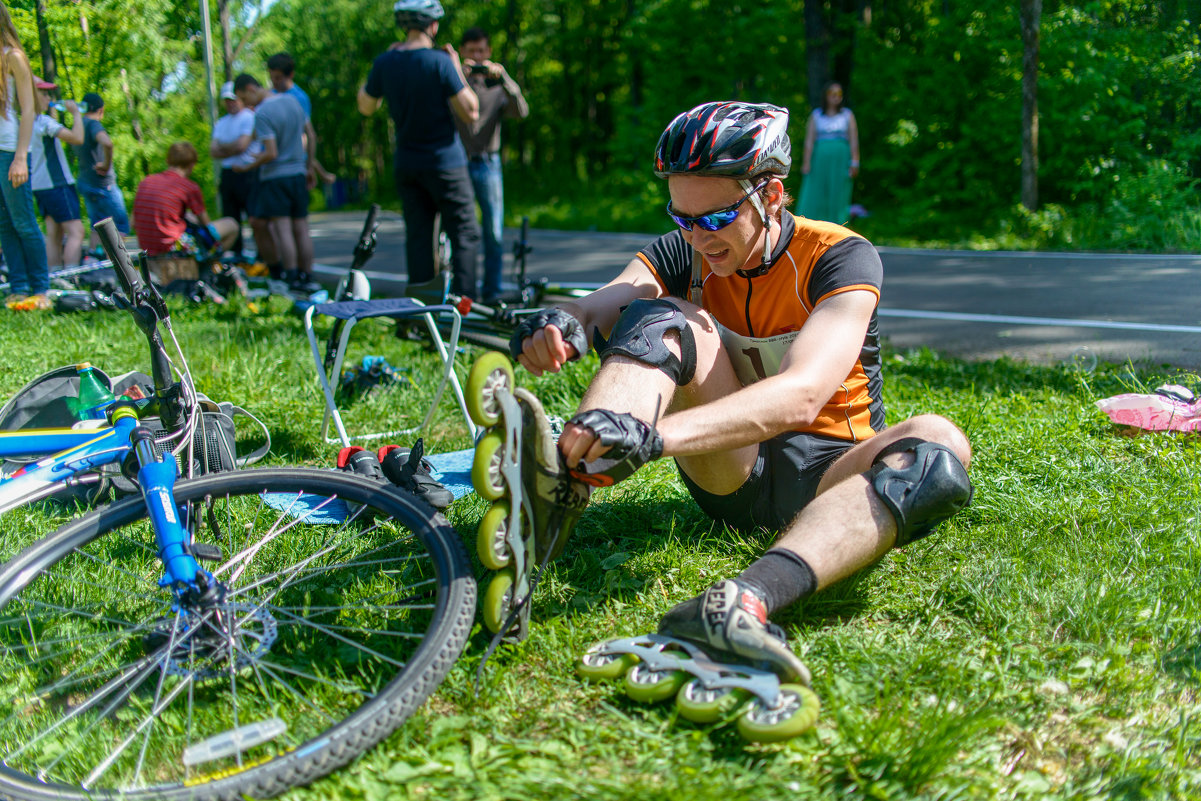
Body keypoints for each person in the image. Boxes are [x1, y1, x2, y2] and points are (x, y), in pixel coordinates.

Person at [510, 101, 973, 680]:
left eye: (715, 219)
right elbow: (607, 299)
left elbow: (801, 393)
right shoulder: (686, 250)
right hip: (731, 471)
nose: (699, 239)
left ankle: (742, 601)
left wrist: (655, 438)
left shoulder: (839, 256)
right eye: (683, 219)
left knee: (938, 441)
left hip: (830, 476)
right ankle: (569, 480)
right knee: (664, 314)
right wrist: (564, 325)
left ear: (771, 196)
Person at [357, 0, 481, 298]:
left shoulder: (385, 62)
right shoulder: (439, 62)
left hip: (408, 164)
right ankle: (464, 311)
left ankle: (420, 313)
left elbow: (366, 105)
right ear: (433, 25)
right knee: (464, 233)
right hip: (446, 163)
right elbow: (471, 110)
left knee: (419, 238)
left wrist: (383, 66)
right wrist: (455, 68)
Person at [454, 27, 528, 304]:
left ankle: (492, 291)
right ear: (463, 52)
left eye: (482, 52)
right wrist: (458, 72)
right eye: (471, 52)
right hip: (457, 163)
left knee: (493, 231)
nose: (477, 57)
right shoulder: (456, 84)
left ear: (489, 53)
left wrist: (504, 76)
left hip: (489, 163)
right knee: (460, 230)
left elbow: (521, 111)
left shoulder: (497, 87)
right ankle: (461, 292)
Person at [233, 73, 318, 291]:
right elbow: (310, 135)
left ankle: (289, 277)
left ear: (251, 89)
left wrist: (246, 166)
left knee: (283, 229)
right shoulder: (293, 102)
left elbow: (270, 153)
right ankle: (307, 275)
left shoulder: (263, 113)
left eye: (244, 98)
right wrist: (308, 166)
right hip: (298, 174)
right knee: (301, 227)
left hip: (276, 177)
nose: (245, 104)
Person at [0, 6, 50, 311]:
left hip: (11, 150)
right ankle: (18, 288)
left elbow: (29, 110)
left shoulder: (12, 56)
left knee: (24, 221)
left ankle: (41, 289)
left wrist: (21, 157)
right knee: (4, 224)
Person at [132, 141, 238, 258]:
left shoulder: (146, 181)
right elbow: (206, 224)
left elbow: (133, 223)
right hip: (174, 247)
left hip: (147, 247)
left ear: (168, 161)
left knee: (188, 216)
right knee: (232, 225)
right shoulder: (188, 187)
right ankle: (210, 263)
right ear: (192, 164)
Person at [209, 80, 271, 261]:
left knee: (255, 216)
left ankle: (263, 254)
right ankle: (236, 253)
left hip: (248, 172)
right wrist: (232, 147)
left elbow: (241, 146)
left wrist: (225, 147)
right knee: (231, 215)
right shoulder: (221, 122)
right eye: (227, 100)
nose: (231, 102)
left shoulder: (249, 117)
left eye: (234, 99)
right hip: (228, 173)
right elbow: (213, 150)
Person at [30, 78, 84, 270]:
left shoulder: (24, 123)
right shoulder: (43, 122)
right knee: (76, 232)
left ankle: (54, 276)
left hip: (39, 186)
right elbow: (77, 138)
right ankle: (71, 274)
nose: (48, 98)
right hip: (57, 184)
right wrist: (76, 114)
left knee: (53, 232)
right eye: (43, 93)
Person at [266, 52, 336, 187]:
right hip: (273, 164)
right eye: (272, 78)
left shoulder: (299, 98)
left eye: (278, 78)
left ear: (290, 75)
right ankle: (323, 174)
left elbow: (308, 134)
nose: (274, 82)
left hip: (294, 163)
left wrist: (309, 167)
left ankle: (323, 174)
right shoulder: (270, 94)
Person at [796, 82, 859, 225]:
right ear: (826, 96)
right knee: (816, 191)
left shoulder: (847, 115)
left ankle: (838, 225)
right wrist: (806, 163)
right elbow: (809, 141)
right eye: (832, 94)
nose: (836, 97)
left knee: (838, 191)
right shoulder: (817, 115)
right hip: (820, 160)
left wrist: (855, 161)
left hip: (840, 160)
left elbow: (854, 140)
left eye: (839, 94)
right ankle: (810, 225)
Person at [73, 91, 130, 249]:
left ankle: (94, 264)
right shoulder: (93, 124)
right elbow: (107, 143)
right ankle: (118, 267)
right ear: (101, 110)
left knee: (96, 226)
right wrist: (106, 164)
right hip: (103, 184)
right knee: (121, 226)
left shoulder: (78, 125)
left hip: (85, 181)